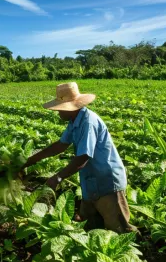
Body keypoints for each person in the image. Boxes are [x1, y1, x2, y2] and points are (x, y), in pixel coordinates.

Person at [21, 82, 136, 234]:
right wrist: (29, 161)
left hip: (106, 183)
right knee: (91, 228)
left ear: (71, 107)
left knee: (120, 229)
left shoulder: (89, 122)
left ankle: (140, 254)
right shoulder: (75, 121)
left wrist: (58, 178)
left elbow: (83, 158)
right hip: (90, 184)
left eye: (60, 108)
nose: (58, 112)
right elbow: (60, 145)